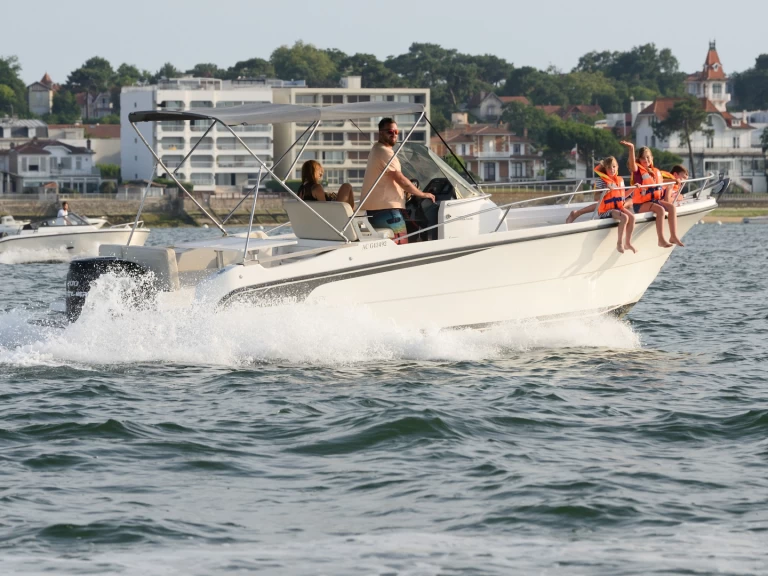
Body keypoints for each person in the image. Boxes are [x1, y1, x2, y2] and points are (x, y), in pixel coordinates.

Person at [359, 118, 435, 244]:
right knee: (400, 246)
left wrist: (405, 192)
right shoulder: (385, 152)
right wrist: (422, 194)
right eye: (390, 131)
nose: (394, 134)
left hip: (376, 212)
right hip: (388, 212)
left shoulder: (376, 149)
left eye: (396, 132)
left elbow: (389, 179)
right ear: (380, 133)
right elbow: (400, 179)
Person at [621, 141, 682, 248]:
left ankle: (673, 236)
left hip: (654, 201)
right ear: (639, 160)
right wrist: (631, 148)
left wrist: (673, 180)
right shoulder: (638, 171)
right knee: (660, 210)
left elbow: (659, 182)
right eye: (643, 158)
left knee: (672, 208)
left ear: (652, 158)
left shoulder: (654, 171)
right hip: (640, 204)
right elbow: (632, 165)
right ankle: (661, 240)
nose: (646, 160)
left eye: (648, 157)